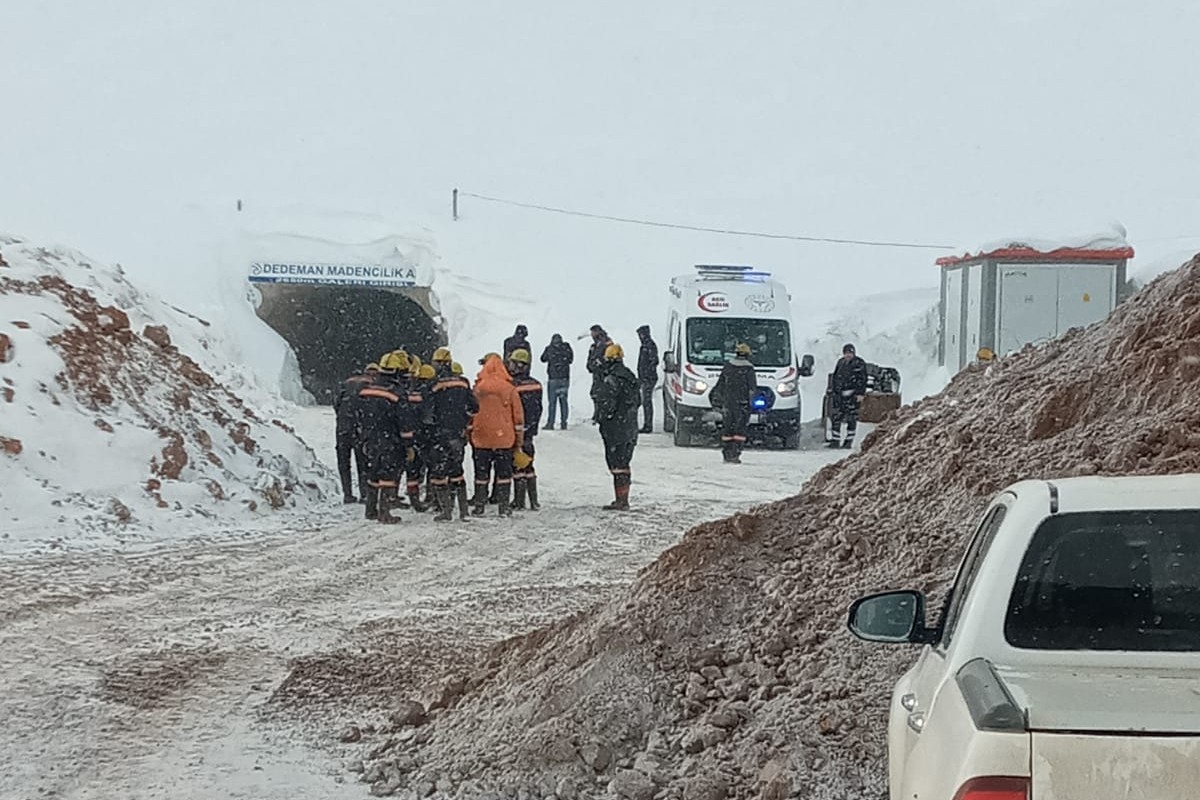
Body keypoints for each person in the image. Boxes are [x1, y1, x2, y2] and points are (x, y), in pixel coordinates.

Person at [358, 351, 414, 524]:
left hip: (370, 438)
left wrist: (364, 436)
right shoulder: (397, 392)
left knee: (373, 473)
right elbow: (404, 421)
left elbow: (359, 414)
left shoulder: (367, 389)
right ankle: (385, 513)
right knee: (388, 475)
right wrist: (408, 445)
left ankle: (370, 509)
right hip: (390, 440)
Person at [470, 354, 524, 517]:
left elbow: (470, 413)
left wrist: (469, 434)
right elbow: (518, 417)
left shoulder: (478, 388)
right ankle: (503, 506)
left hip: (481, 438)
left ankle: (479, 505)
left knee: (481, 474)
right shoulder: (509, 388)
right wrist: (518, 440)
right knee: (503, 474)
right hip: (504, 439)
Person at [428, 347, 478, 522]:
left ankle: (446, 511)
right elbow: (474, 407)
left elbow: (428, 412)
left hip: (441, 434)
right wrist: (463, 420)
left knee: (440, 472)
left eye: (435, 362)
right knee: (457, 470)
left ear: (442, 363)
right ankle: (463, 511)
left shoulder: (434, 384)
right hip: (458, 434)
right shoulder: (463, 382)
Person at [591, 343, 640, 510]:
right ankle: (623, 498)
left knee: (616, 464)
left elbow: (607, 405)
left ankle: (621, 500)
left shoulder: (611, 379)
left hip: (615, 428)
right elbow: (638, 401)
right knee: (624, 463)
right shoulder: (631, 377)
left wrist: (602, 418)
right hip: (630, 427)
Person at [332, 362, 377, 503]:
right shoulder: (371, 385)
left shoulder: (346, 383)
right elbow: (372, 409)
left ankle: (347, 494)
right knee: (362, 461)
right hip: (359, 427)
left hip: (342, 427)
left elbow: (336, 403)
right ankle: (364, 494)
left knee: (344, 462)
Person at [507, 349, 544, 510]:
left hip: (517, 430)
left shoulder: (512, 386)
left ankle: (519, 501)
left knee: (517, 465)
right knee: (529, 464)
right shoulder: (536, 384)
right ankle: (534, 501)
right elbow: (538, 408)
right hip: (530, 430)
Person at [710, 343, 756, 464]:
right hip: (742, 404)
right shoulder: (749, 369)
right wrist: (751, 404)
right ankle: (735, 452)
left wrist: (717, 400)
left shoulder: (728, 367)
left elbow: (720, 385)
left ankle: (727, 452)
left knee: (728, 428)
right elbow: (752, 389)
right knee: (739, 430)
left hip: (728, 403)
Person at [829, 342, 868, 449]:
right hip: (840, 396)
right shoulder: (840, 363)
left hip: (852, 395)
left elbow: (863, 379)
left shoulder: (859, 363)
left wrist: (860, 393)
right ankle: (835, 440)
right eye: (846, 353)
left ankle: (848, 441)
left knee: (851, 418)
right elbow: (835, 377)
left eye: (850, 353)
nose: (848, 355)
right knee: (836, 417)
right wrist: (834, 391)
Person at [540, 333, 573, 430]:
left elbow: (542, 359)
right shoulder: (566, 347)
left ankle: (551, 423)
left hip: (553, 379)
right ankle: (564, 423)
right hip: (564, 379)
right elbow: (571, 360)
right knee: (563, 401)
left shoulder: (550, 349)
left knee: (552, 402)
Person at [586, 324, 613, 422]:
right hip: (597, 373)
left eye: (593, 332)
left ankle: (602, 414)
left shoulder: (606, 342)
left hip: (604, 373)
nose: (592, 334)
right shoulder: (595, 345)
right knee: (595, 393)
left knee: (603, 394)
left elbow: (609, 356)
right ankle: (597, 413)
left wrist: (600, 363)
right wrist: (590, 365)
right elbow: (592, 356)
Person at [636, 325, 658, 434]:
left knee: (646, 401)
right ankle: (647, 424)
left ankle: (648, 425)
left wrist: (646, 374)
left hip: (648, 378)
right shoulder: (645, 345)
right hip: (644, 377)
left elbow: (654, 361)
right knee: (645, 401)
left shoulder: (649, 345)